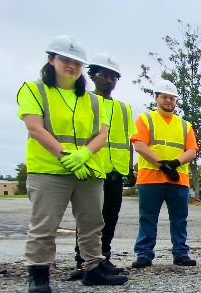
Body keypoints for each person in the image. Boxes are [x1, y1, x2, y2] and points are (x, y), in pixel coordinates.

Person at [17, 35, 128, 293]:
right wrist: (66, 155)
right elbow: (35, 128)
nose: (72, 67)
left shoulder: (90, 100)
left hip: (88, 170)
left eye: (77, 63)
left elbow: (101, 134)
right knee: (45, 224)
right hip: (49, 170)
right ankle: (39, 272)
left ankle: (92, 268)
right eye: (66, 60)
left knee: (92, 224)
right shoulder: (34, 90)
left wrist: (84, 155)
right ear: (51, 59)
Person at [69, 53, 134, 280]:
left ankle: (102, 258)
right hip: (93, 169)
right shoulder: (84, 101)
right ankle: (83, 262)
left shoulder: (124, 109)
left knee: (110, 216)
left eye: (113, 77)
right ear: (93, 76)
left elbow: (128, 139)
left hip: (115, 170)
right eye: (104, 75)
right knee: (89, 219)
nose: (109, 80)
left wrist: (130, 169)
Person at [131, 79, 200, 268]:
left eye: (172, 98)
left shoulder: (184, 125)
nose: (168, 101)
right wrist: (162, 165)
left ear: (176, 101)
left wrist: (175, 163)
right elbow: (139, 145)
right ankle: (144, 254)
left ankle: (180, 253)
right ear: (157, 98)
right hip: (150, 178)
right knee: (148, 217)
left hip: (178, 180)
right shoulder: (145, 119)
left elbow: (192, 150)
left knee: (179, 218)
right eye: (164, 97)